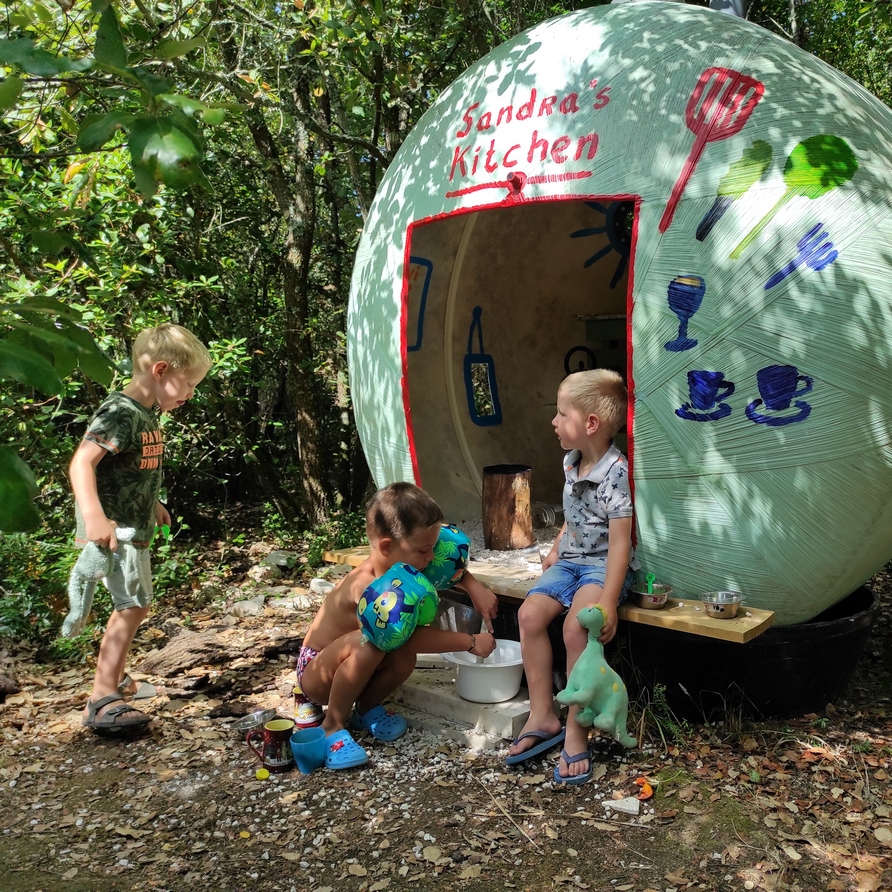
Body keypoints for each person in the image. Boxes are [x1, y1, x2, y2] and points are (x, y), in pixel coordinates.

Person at [70, 323, 211, 733]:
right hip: (116, 529)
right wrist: (96, 517)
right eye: (188, 384)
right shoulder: (121, 413)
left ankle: (114, 678)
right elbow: (82, 462)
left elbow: (130, 470)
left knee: (132, 603)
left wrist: (154, 502)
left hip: (135, 522)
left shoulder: (144, 414)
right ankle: (102, 698)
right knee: (132, 605)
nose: (190, 394)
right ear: (161, 370)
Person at [298, 482, 498, 769]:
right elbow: (407, 637)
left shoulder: (404, 561)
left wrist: (473, 585)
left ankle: (365, 709)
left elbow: (443, 570)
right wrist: (468, 641)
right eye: (424, 551)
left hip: (352, 665)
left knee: (401, 657)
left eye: (433, 548)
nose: (430, 559)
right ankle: (333, 726)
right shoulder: (368, 587)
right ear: (386, 547)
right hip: (317, 674)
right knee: (372, 644)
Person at [506, 369, 636, 784]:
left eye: (562, 414)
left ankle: (577, 732)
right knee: (528, 616)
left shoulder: (615, 472)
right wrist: (558, 542)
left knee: (576, 629)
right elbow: (575, 514)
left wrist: (610, 601)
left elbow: (620, 543)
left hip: (601, 567)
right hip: (570, 561)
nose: (554, 422)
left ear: (590, 424)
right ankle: (543, 714)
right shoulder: (571, 461)